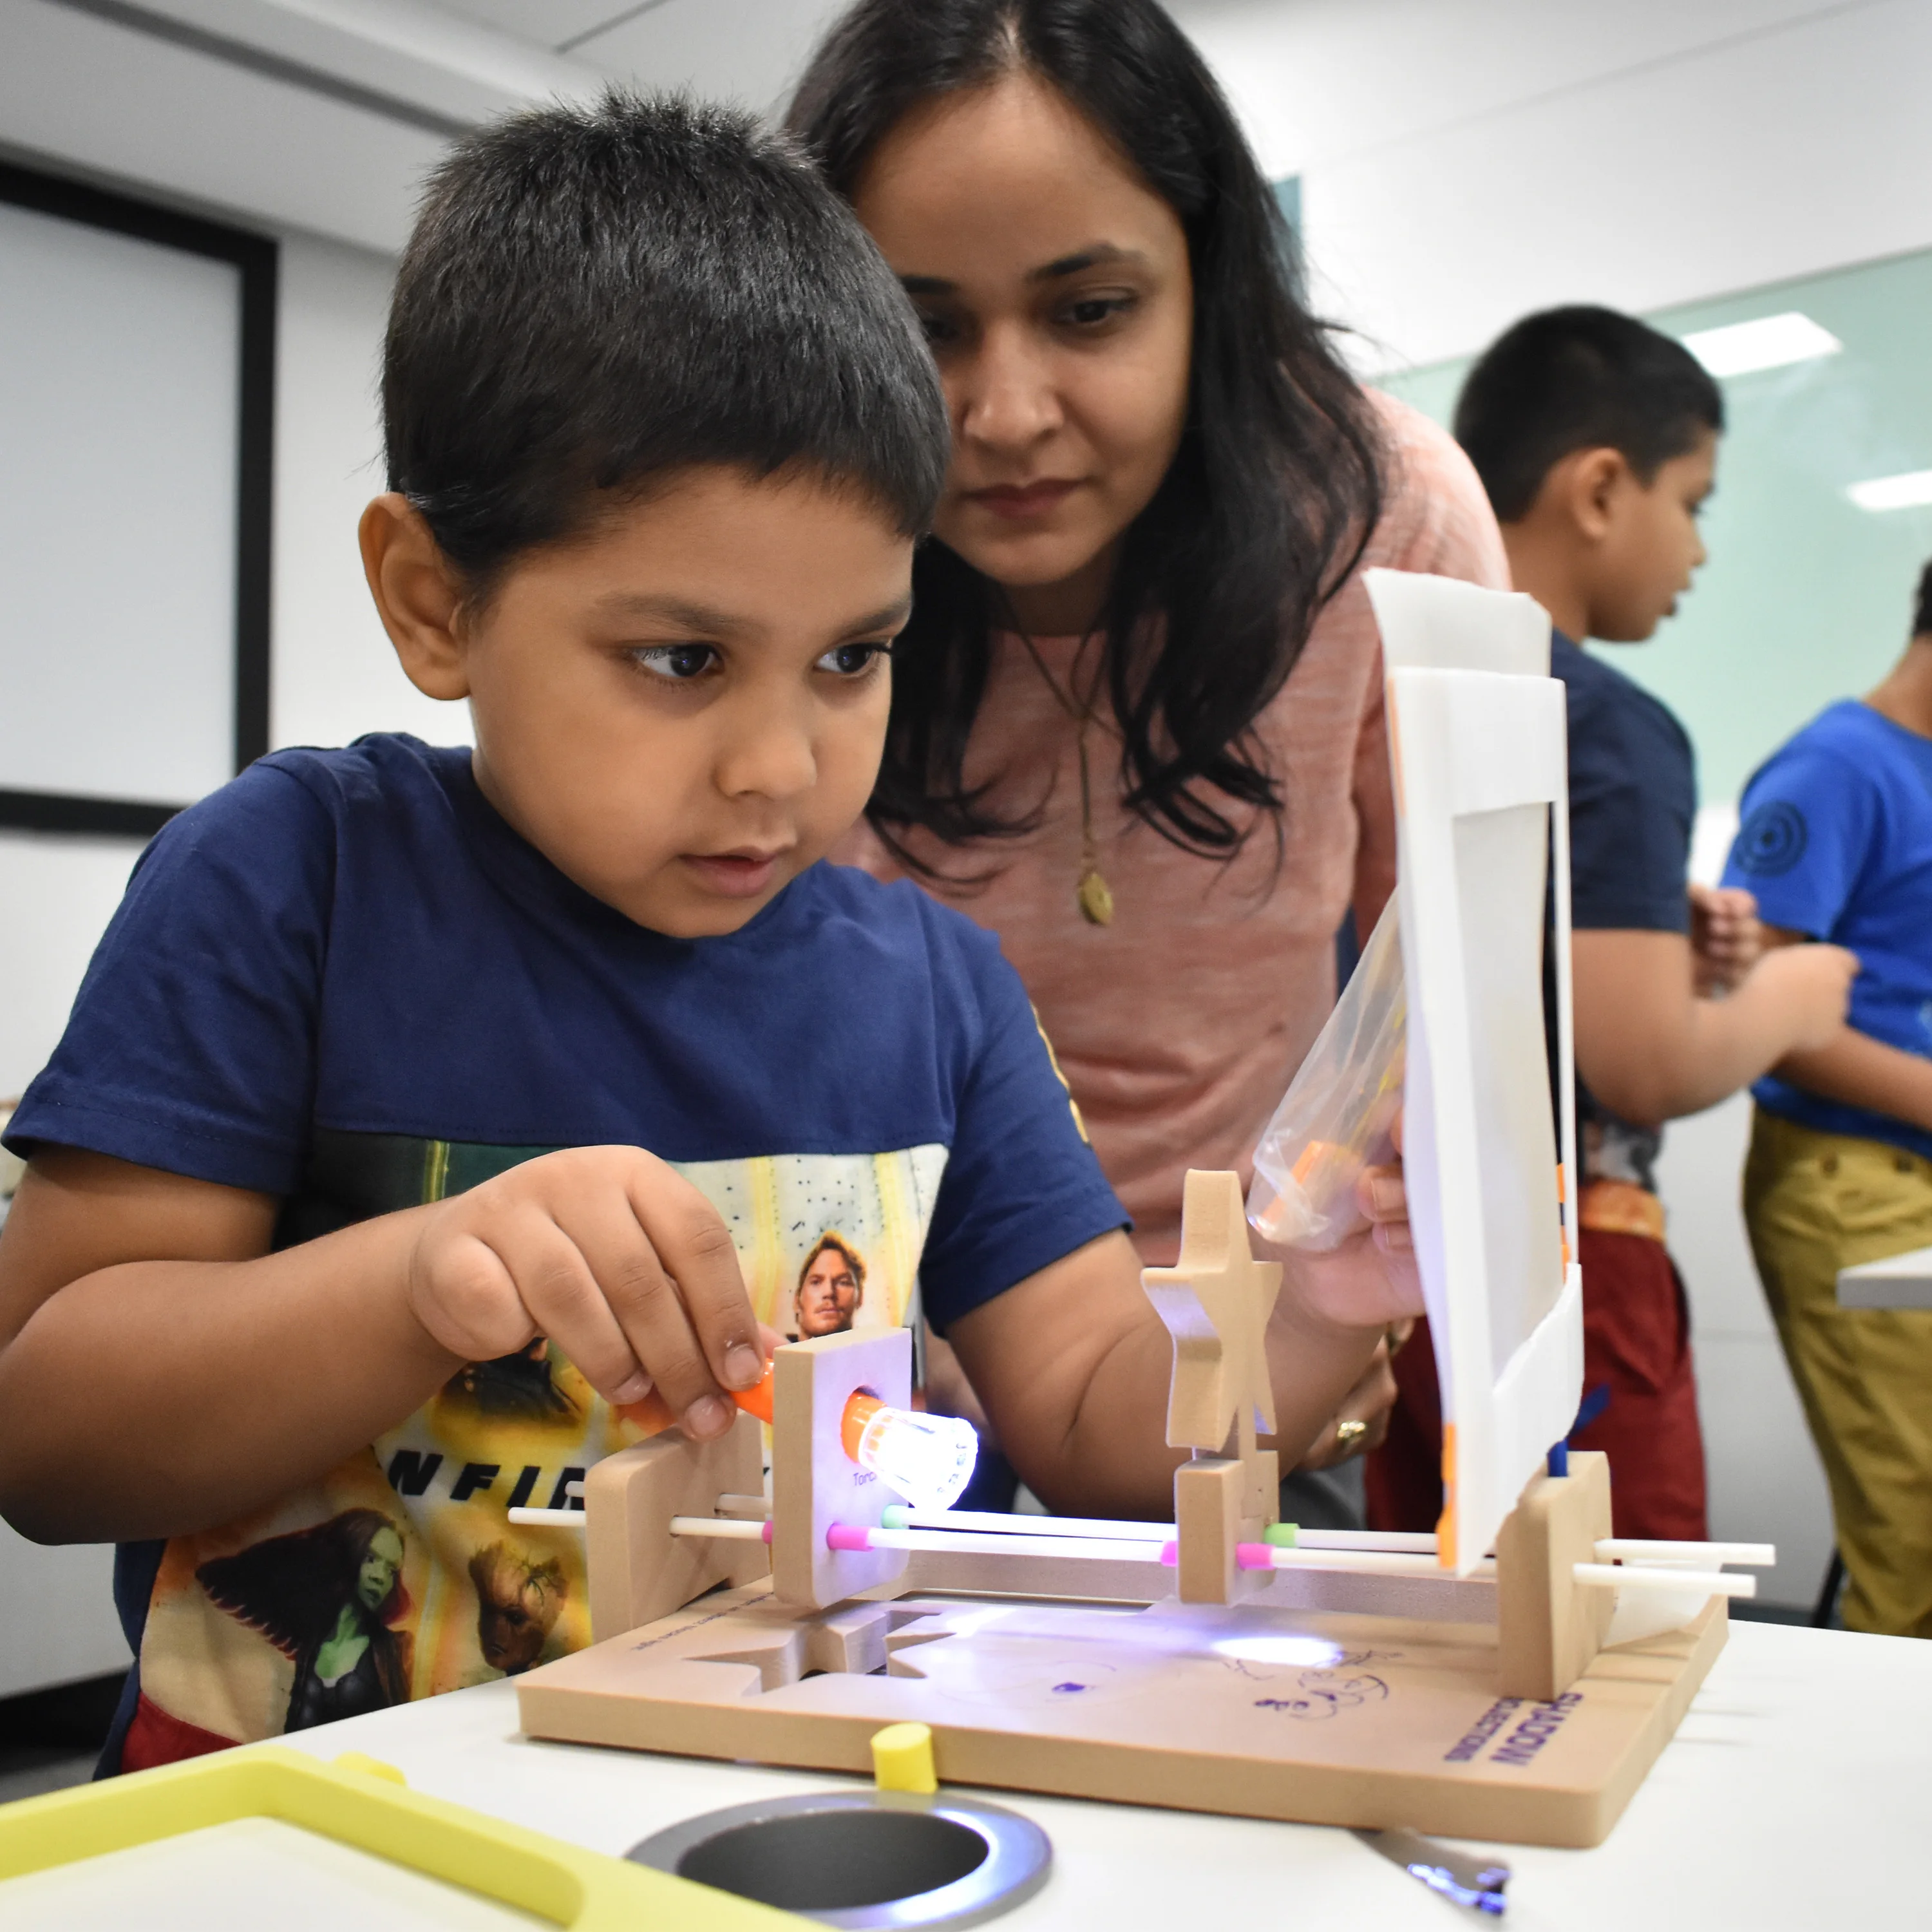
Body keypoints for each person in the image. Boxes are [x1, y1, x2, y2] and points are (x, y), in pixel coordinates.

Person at [0, 95, 1412, 1776]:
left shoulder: (935, 990)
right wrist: (424, 1275)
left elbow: (1109, 1420)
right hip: (298, 1839)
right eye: (681, 660)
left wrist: (1319, 1302)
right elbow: (46, 1430)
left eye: (852, 658)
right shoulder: (295, 880)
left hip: (750, 1814)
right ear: (434, 601)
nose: (781, 768)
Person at [786, 0, 1502, 1515]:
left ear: (1207, 282)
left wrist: (1317, 1321)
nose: (1004, 412)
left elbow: (1435, 989)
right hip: (887, 1370)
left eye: (1088, 309)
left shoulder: (1386, 527)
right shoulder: (799, 548)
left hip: (1249, 1352)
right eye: (922, 328)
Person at [1368, 306, 1858, 1540]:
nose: (1696, 551)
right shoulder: (1616, 733)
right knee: (1623, 1631)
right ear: (1599, 490)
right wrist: (1795, 999)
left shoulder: (1383, 699)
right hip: (1563, 1273)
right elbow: (1642, 1062)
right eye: (1692, 500)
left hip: (1384, 1279)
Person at [1724, 558, 1932, 1637]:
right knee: (1915, 1533)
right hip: (1853, 1181)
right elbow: (1769, 1009)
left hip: (1913, 1176)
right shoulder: (1840, 768)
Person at [793, 1233, 866, 1339]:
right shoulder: (770, 1353)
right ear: (797, 1300)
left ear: (860, 1297)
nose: (829, 1292)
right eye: (816, 1282)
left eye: (843, 1282)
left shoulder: (878, 1354)